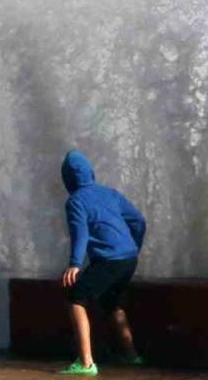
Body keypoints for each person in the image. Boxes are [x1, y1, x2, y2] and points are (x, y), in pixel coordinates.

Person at [56, 150, 147, 376]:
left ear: (66, 179)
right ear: (91, 173)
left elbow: (80, 233)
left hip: (109, 260)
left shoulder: (75, 201)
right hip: (129, 258)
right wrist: (133, 245)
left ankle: (86, 363)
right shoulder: (110, 193)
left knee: (76, 298)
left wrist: (75, 264)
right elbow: (139, 221)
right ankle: (131, 355)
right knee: (112, 303)